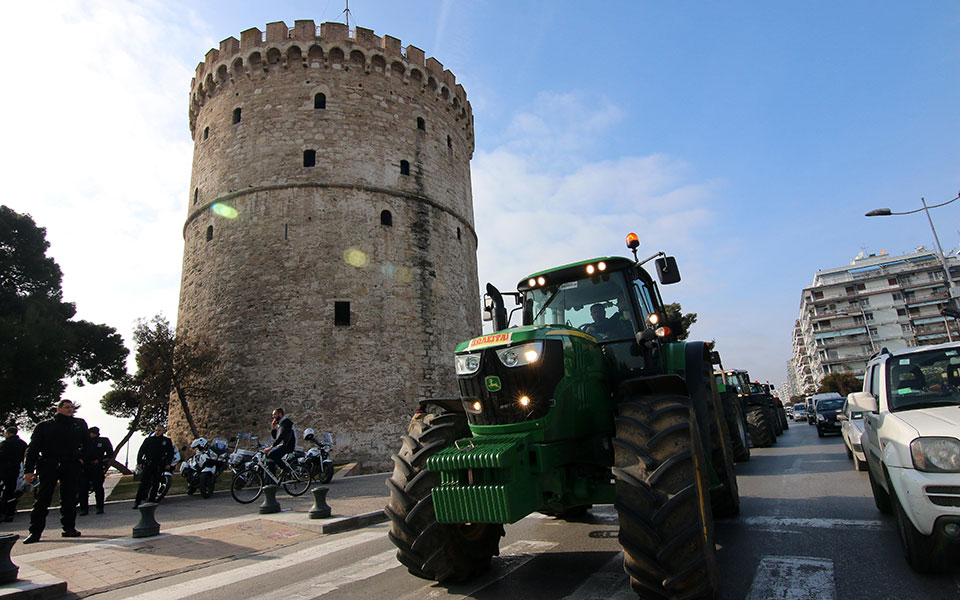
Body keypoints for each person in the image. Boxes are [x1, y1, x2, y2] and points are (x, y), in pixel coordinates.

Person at [22, 399, 88, 544]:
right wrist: (28, 470)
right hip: (49, 464)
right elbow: (32, 449)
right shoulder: (44, 426)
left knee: (70, 498)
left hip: (70, 464)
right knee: (42, 499)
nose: (69, 410)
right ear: (58, 409)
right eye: (66, 407)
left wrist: (81, 458)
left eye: (71, 407)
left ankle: (69, 528)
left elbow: (87, 444)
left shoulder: (79, 424)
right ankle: (35, 532)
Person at [134, 425, 174, 509]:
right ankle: (137, 501)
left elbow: (170, 453)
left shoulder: (166, 441)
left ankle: (152, 501)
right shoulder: (149, 440)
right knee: (144, 483)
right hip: (148, 464)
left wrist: (168, 463)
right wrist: (139, 463)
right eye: (156, 430)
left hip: (159, 465)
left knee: (156, 483)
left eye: (159, 430)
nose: (157, 432)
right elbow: (141, 451)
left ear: (163, 431)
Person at [78, 426, 113, 515]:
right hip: (84, 467)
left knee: (98, 488)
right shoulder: (83, 441)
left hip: (97, 467)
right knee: (83, 489)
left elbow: (110, 454)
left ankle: (100, 507)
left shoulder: (103, 441)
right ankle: (84, 509)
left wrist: (100, 460)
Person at [0, 426, 28, 522]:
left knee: (3, 492)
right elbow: (26, 455)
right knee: (11, 492)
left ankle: (2, 512)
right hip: (16, 470)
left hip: (3, 470)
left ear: (8, 433)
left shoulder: (5, 444)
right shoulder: (22, 444)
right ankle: (10, 513)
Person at [264, 408, 295, 475]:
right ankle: (272, 477)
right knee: (268, 457)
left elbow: (281, 437)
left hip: (288, 445)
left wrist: (270, 447)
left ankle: (285, 469)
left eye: (275, 414)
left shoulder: (287, 423)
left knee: (271, 454)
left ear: (280, 414)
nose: (273, 416)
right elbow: (275, 437)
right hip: (282, 445)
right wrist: (273, 428)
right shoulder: (280, 424)